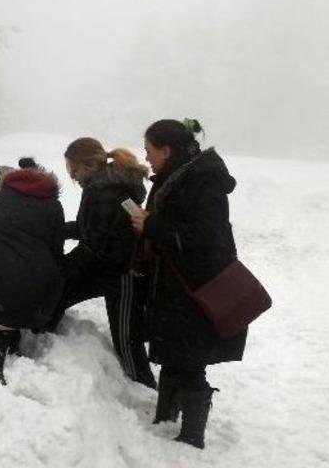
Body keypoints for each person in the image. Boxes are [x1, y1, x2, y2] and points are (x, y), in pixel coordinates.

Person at [129, 119, 246, 449]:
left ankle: (192, 438)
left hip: (194, 289)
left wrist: (152, 225)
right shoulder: (178, 176)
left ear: (166, 150)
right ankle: (165, 418)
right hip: (176, 287)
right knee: (172, 354)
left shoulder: (201, 181)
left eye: (149, 150)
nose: (146, 157)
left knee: (190, 362)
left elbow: (205, 239)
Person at [44, 138, 157, 389]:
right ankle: (42, 343)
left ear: (86, 164)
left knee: (126, 339)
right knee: (60, 294)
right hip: (106, 268)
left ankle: (144, 390)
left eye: (73, 168)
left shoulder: (107, 191)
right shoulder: (100, 186)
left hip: (124, 273)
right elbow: (90, 229)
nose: (72, 175)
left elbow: (93, 242)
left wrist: (64, 268)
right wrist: (56, 230)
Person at [0, 157, 65, 384]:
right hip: (40, 299)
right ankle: (16, 332)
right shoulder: (53, 205)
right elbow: (57, 252)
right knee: (19, 301)